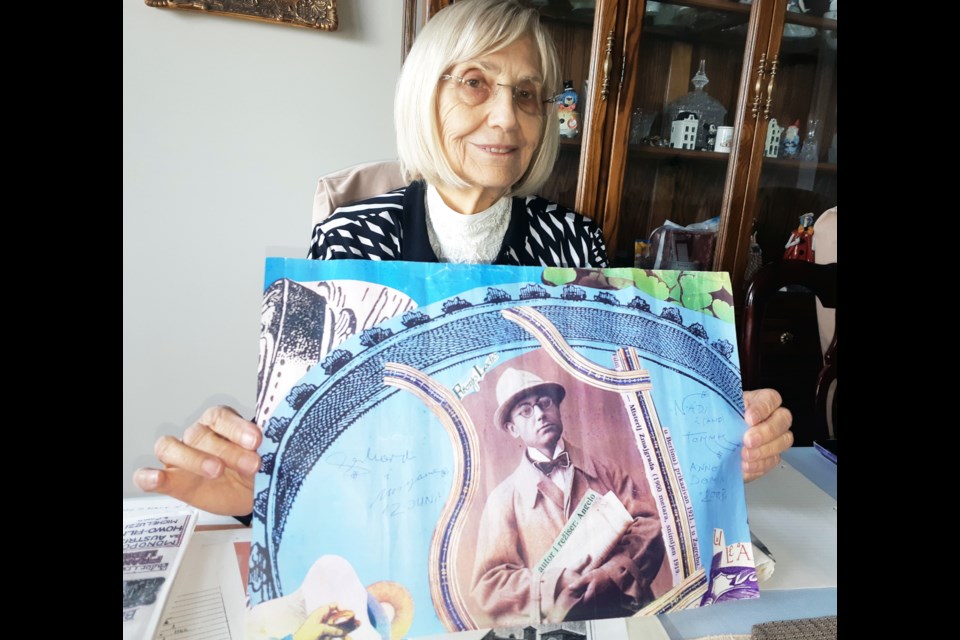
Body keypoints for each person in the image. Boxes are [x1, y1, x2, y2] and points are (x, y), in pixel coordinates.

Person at [132, 0, 793, 520]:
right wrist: (248, 488)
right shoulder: (351, 238)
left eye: (529, 94)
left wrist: (711, 446)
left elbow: (605, 425)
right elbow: (317, 439)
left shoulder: (574, 244)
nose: (506, 118)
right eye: (475, 83)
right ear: (427, 95)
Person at [471, 368, 664, 625]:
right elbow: (490, 585)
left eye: (545, 403)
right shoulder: (502, 500)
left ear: (558, 408)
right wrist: (556, 582)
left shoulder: (607, 469)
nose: (539, 414)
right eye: (525, 411)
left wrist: (611, 574)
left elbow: (649, 526)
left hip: (628, 618)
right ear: (512, 428)